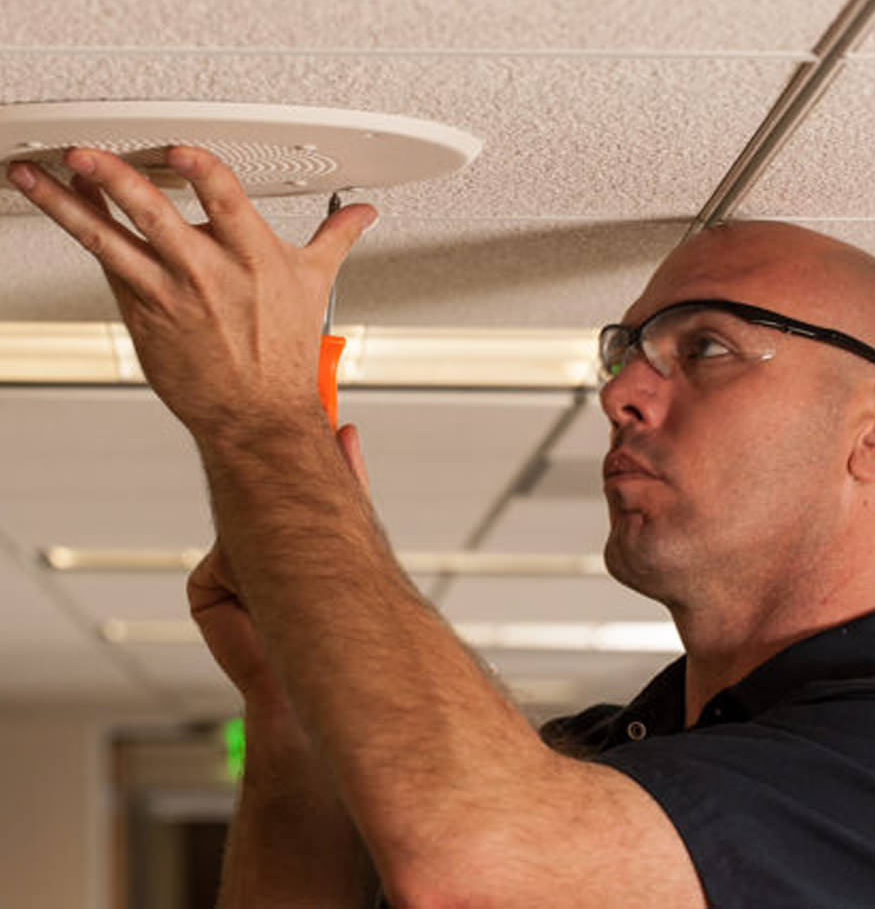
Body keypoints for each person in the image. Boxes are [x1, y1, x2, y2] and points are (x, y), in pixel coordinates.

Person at [7, 145, 875, 908]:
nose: (618, 392)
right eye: (625, 351)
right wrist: (292, 706)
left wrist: (263, 421)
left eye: (706, 347)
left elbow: (486, 879)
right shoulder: (607, 755)